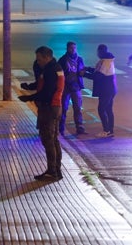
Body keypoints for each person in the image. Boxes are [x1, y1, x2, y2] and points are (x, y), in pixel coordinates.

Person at [18, 46, 65, 181]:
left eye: (39, 59)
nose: (37, 62)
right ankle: (56, 169)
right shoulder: (55, 68)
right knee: (54, 139)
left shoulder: (50, 70)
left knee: (48, 140)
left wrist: (28, 98)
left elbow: (47, 92)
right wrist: (29, 87)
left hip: (49, 108)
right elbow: (43, 85)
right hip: (56, 107)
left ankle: (52, 171)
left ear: (47, 57)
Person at [85, 44, 117, 137]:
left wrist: (84, 74)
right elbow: (97, 71)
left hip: (106, 90)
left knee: (101, 109)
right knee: (108, 109)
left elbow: (98, 76)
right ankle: (110, 131)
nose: (98, 53)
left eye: (98, 52)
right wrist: (88, 69)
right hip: (110, 89)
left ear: (101, 52)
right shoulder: (107, 60)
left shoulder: (106, 62)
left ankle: (106, 130)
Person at [57, 41, 86, 135]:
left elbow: (82, 70)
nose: (73, 50)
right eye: (71, 48)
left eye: (74, 48)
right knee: (64, 108)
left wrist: (83, 73)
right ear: (67, 49)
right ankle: (61, 126)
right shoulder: (63, 60)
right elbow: (58, 73)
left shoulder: (79, 59)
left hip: (76, 87)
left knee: (77, 108)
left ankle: (79, 126)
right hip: (66, 87)